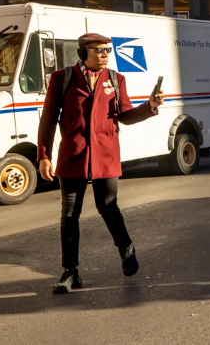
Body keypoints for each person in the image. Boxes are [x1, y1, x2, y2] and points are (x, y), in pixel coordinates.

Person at [38, 33, 164, 295]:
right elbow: (48, 119)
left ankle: (126, 250)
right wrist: (43, 155)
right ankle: (70, 272)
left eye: (108, 49)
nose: (106, 54)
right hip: (73, 157)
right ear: (83, 53)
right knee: (69, 215)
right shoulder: (61, 79)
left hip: (105, 156)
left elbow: (126, 116)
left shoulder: (116, 80)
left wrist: (149, 107)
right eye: (99, 50)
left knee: (108, 207)